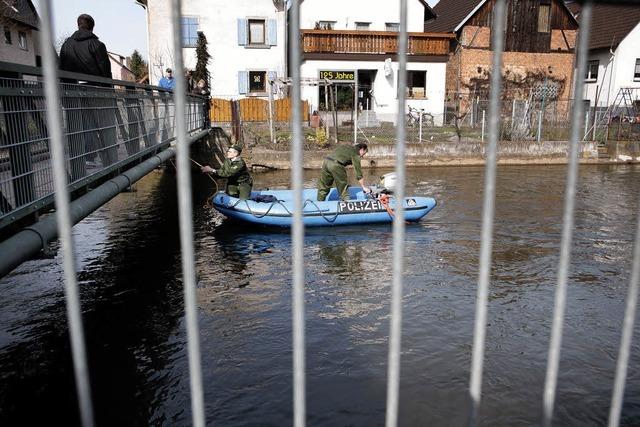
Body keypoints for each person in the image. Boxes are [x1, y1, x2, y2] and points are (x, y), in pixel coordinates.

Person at [59, 14, 116, 179]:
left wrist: (64, 91)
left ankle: (79, 159)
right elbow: (105, 70)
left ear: (78, 25)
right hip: (94, 90)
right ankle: (93, 158)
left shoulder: (66, 45)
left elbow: (61, 68)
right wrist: (108, 90)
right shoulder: (97, 44)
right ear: (92, 27)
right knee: (96, 124)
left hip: (72, 90)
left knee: (77, 125)